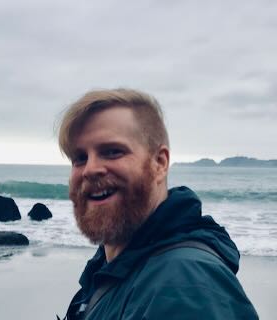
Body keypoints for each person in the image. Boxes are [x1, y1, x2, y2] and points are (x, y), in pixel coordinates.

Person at [58, 88, 258, 319]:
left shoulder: (184, 286)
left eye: (112, 151)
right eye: (80, 158)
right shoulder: (115, 267)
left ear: (160, 163)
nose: (90, 169)